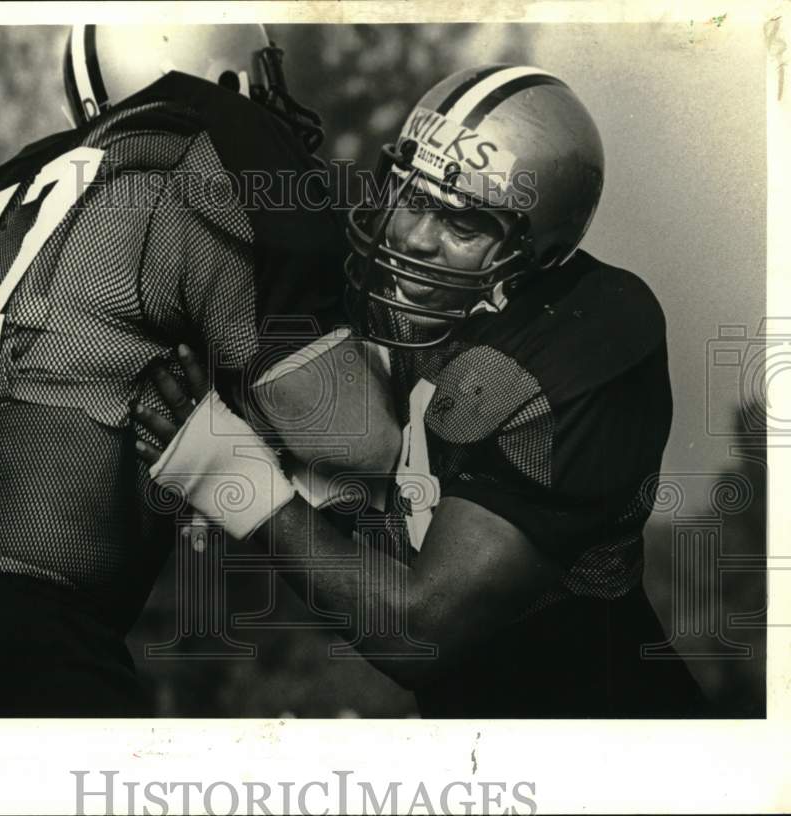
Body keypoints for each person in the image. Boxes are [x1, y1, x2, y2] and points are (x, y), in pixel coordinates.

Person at [135, 64, 708, 717]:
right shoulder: (376, 300)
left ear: (537, 256)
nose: (413, 237)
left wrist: (224, 470)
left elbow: (423, 633)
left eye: (461, 226)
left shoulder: (591, 331)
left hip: (616, 751)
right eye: (410, 195)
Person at [0, 24, 352, 716]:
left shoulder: (22, 181)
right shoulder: (195, 174)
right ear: (215, 75)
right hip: (20, 630)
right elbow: (349, 441)